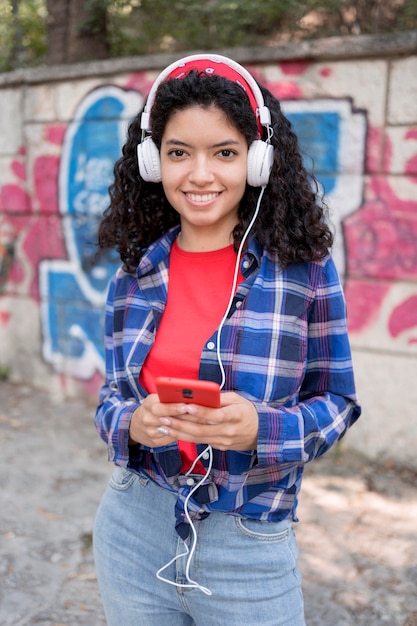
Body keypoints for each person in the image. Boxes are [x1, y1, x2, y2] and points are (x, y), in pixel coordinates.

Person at [93, 54, 361, 626]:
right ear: (152, 160)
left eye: (225, 153)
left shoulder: (304, 271)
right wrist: (130, 425)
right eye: (178, 152)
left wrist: (263, 429)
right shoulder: (133, 276)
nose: (199, 175)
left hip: (249, 544)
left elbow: (338, 404)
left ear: (259, 161)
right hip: (132, 530)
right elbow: (110, 400)